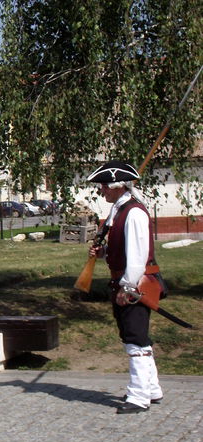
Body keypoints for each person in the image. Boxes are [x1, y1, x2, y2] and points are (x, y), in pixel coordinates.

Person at [87, 160, 163, 414]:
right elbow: (123, 249)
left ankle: (139, 396)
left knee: (135, 339)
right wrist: (104, 253)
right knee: (137, 337)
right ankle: (151, 389)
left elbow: (138, 256)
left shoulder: (134, 213)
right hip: (125, 280)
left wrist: (127, 287)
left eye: (104, 187)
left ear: (117, 186)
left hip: (135, 283)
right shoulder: (120, 211)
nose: (101, 191)